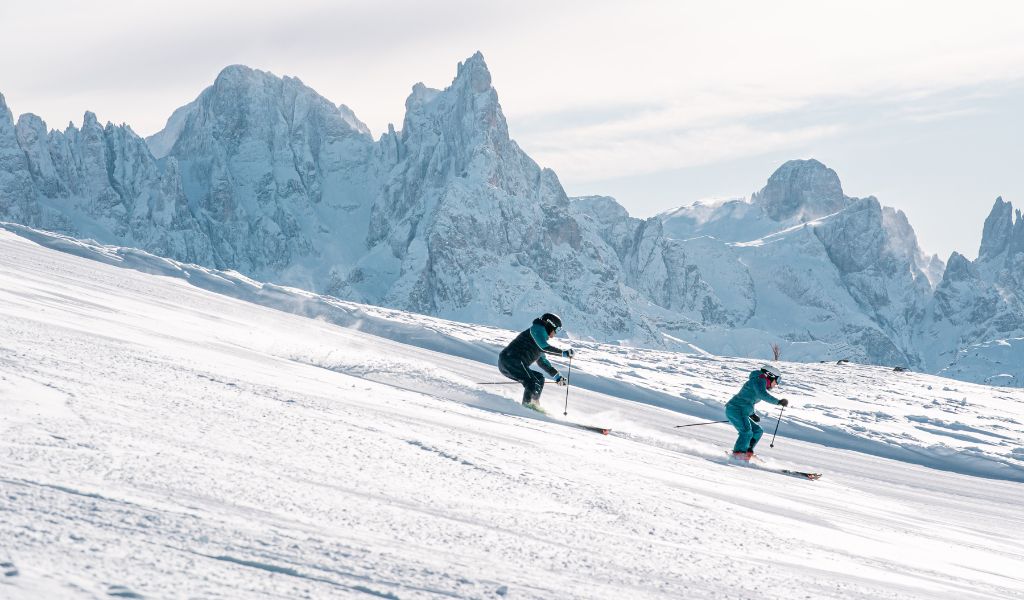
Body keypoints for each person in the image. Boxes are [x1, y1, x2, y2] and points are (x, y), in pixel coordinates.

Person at [498, 313, 575, 407]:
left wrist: (558, 377)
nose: (556, 333)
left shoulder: (540, 338)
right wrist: (564, 353)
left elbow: (542, 362)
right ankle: (527, 406)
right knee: (531, 382)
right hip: (510, 360)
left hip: (512, 363)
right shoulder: (537, 329)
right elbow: (544, 348)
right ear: (551, 324)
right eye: (557, 329)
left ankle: (534, 403)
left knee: (539, 378)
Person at [726, 364, 788, 460]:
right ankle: (738, 454)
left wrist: (752, 414)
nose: (777, 384)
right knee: (746, 432)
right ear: (770, 375)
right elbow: (762, 394)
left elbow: (748, 400)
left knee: (757, 431)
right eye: (777, 380)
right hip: (735, 409)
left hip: (741, 411)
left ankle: (746, 451)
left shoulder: (759, 382)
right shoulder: (760, 379)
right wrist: (778, 402)